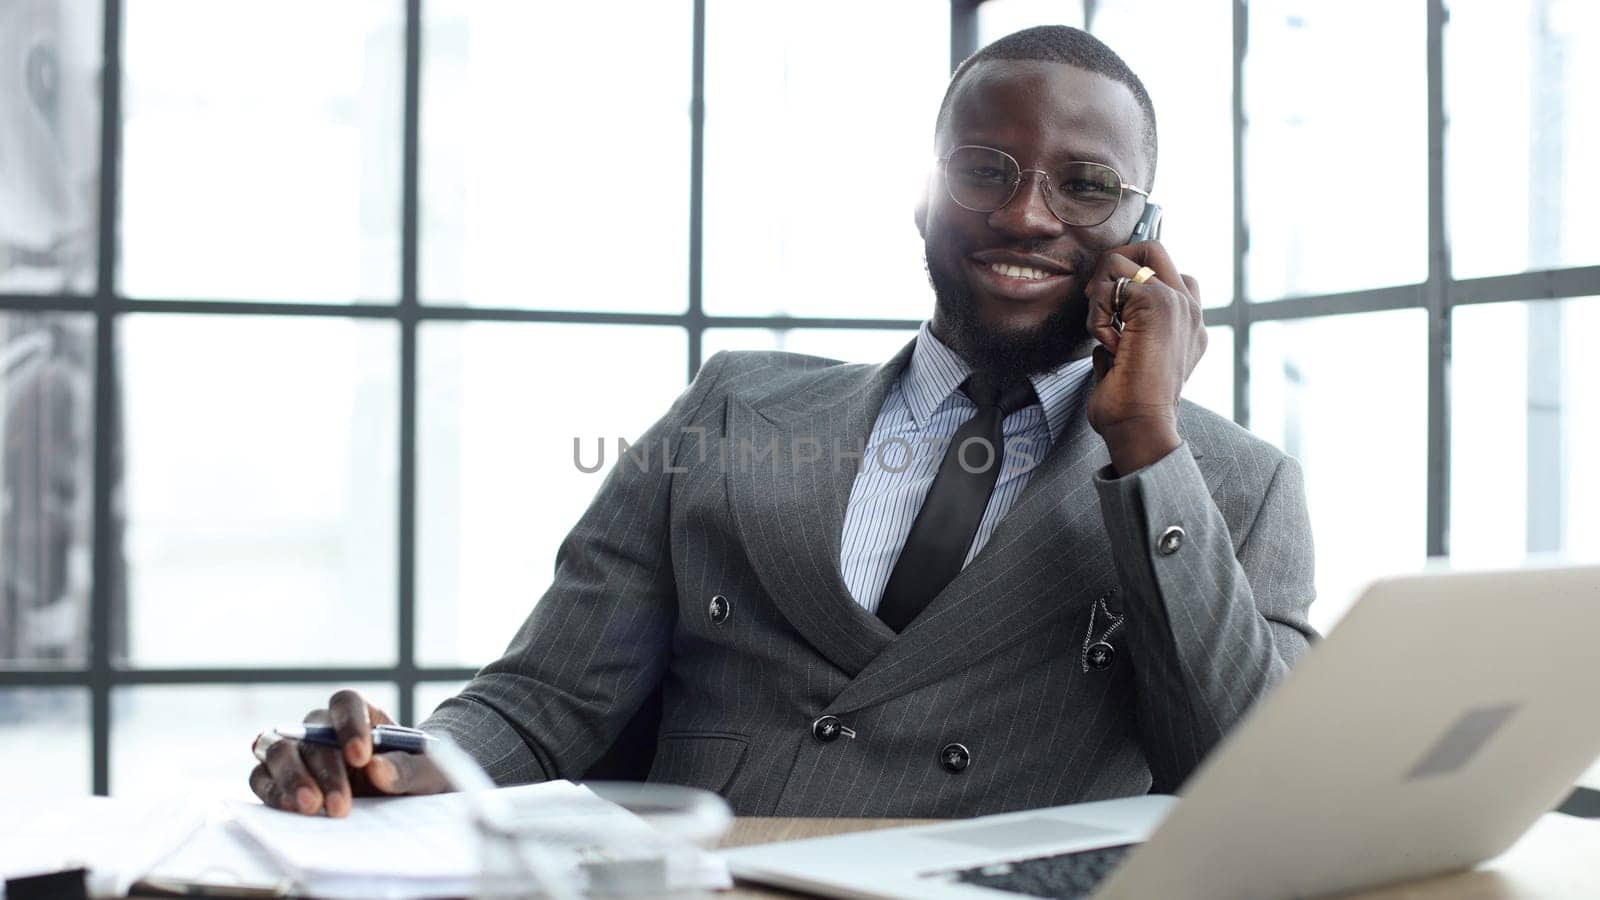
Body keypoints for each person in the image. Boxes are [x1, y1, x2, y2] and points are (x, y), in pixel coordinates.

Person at [249, 25, 1316, 820]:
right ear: (924, 194)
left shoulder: (1227, 484)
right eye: (982, 168)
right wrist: (387, 762)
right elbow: (542, 701)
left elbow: (1252, 784)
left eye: (1086, 186)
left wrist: (1144, 444)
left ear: (1145, 232)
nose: (1026, 214)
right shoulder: (733, 406)